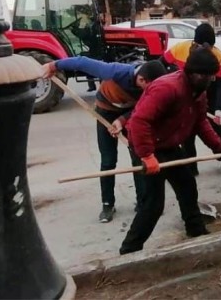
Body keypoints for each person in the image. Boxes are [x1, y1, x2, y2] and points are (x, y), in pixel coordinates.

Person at [119, 48, 221, 255]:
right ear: (191, 72)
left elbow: (200, 122)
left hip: (168, 144)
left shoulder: (198, 91)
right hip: (147, 146)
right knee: (154, 204)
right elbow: (139, 122)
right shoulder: (167, 88)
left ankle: (195, 230)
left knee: (187, 184)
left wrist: (219, 147)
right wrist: (146, 156)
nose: (209, 80)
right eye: (205, 76)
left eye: (211, 76)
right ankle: (129, 251)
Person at [43, 57, 167, 223]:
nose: (153, 91)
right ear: (141, 79)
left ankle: (143, 201)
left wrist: (123, 120)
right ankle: (108, 204)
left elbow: (144, 107)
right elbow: (81, 62)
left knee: (139, 157)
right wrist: (53, 65)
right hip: (105, 111)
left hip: (132, 114)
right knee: (108, 161)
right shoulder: (116, 71)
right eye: (150, 87)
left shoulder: (153, 87)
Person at [162, 23, 221, 191]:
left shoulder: (218, 56)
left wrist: (219, 108)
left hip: (210, 103)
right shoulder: (180, 49)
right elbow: (160, 63)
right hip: (184, 103)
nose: (207, 48)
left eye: (210, 46)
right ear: (195, 43)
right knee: (186, 138)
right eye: (203, 45)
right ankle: (191, 169)